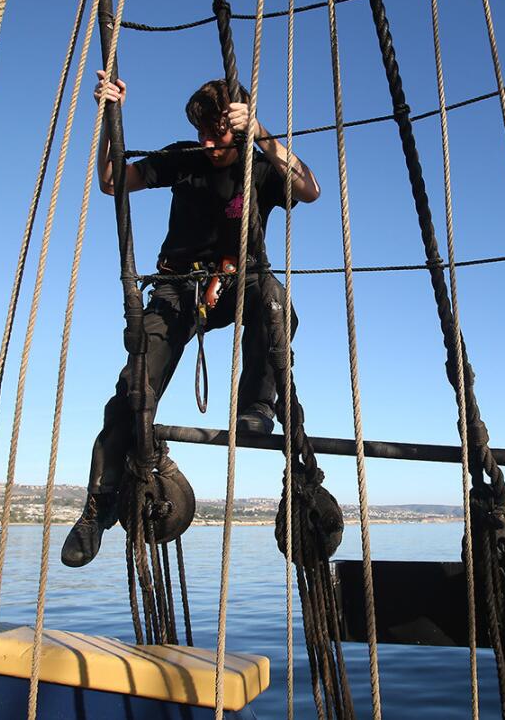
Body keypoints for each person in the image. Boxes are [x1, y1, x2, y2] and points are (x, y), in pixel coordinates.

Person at [61, 71, 321, 568]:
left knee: (275, 304)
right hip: (180, 287)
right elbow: (114, 182)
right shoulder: (185, 155)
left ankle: (257, 405)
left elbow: (310, 189)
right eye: (201, 131)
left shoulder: (259, 162)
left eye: (217, 133)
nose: (207, 143)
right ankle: (99, 504)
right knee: (133, 384)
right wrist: (107, 118)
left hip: (240, 280)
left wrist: (262, 135)